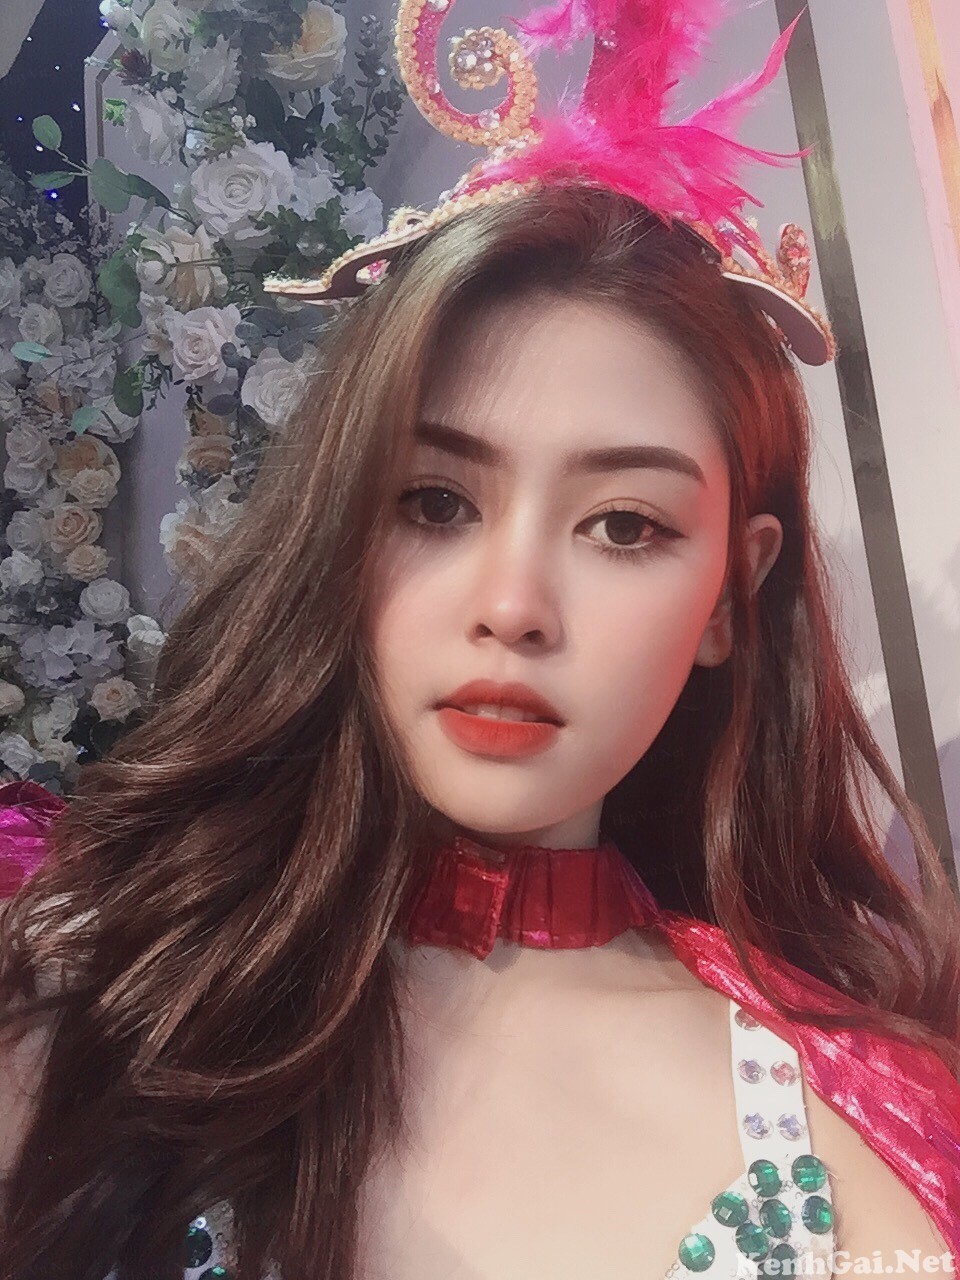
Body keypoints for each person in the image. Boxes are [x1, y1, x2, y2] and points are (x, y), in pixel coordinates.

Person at [2, 4, 960, 1280]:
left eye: (624, 524)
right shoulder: (85, 981)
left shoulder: (871, 1125)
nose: (514, 605)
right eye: (436, 502)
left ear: (734, 592)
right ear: (343, 522)